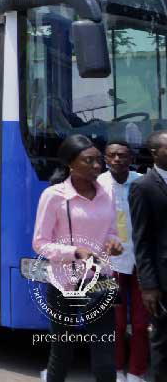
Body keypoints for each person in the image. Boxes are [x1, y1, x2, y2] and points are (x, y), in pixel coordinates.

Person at [33, 134, 123, 382]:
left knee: (105, 355)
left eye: (98, 161)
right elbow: (40, 243)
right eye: (89, 161)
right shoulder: (54, 196)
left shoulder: (107, 193)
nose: (97, 166)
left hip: (100, 282)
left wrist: (114, 243)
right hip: (64, 284)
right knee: (62, 352)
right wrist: (74, 252)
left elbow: (112, 231)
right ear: (71, 164)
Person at [97, 140, 148, 382]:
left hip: (141, 262)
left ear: (130, 158)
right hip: (110, 264)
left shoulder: (142, 182)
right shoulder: (97, 184)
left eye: (122, 156)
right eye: (112, 155)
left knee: (140, 325)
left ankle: (137, 373)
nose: (117, 159)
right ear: (105, 159)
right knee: (115, 324)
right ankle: (117, 371)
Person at [130, 130, 167, 382]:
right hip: (163, 279)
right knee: (163, 341)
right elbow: (141, 240)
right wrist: (149, 285)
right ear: (154, 153)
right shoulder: (142, 187)